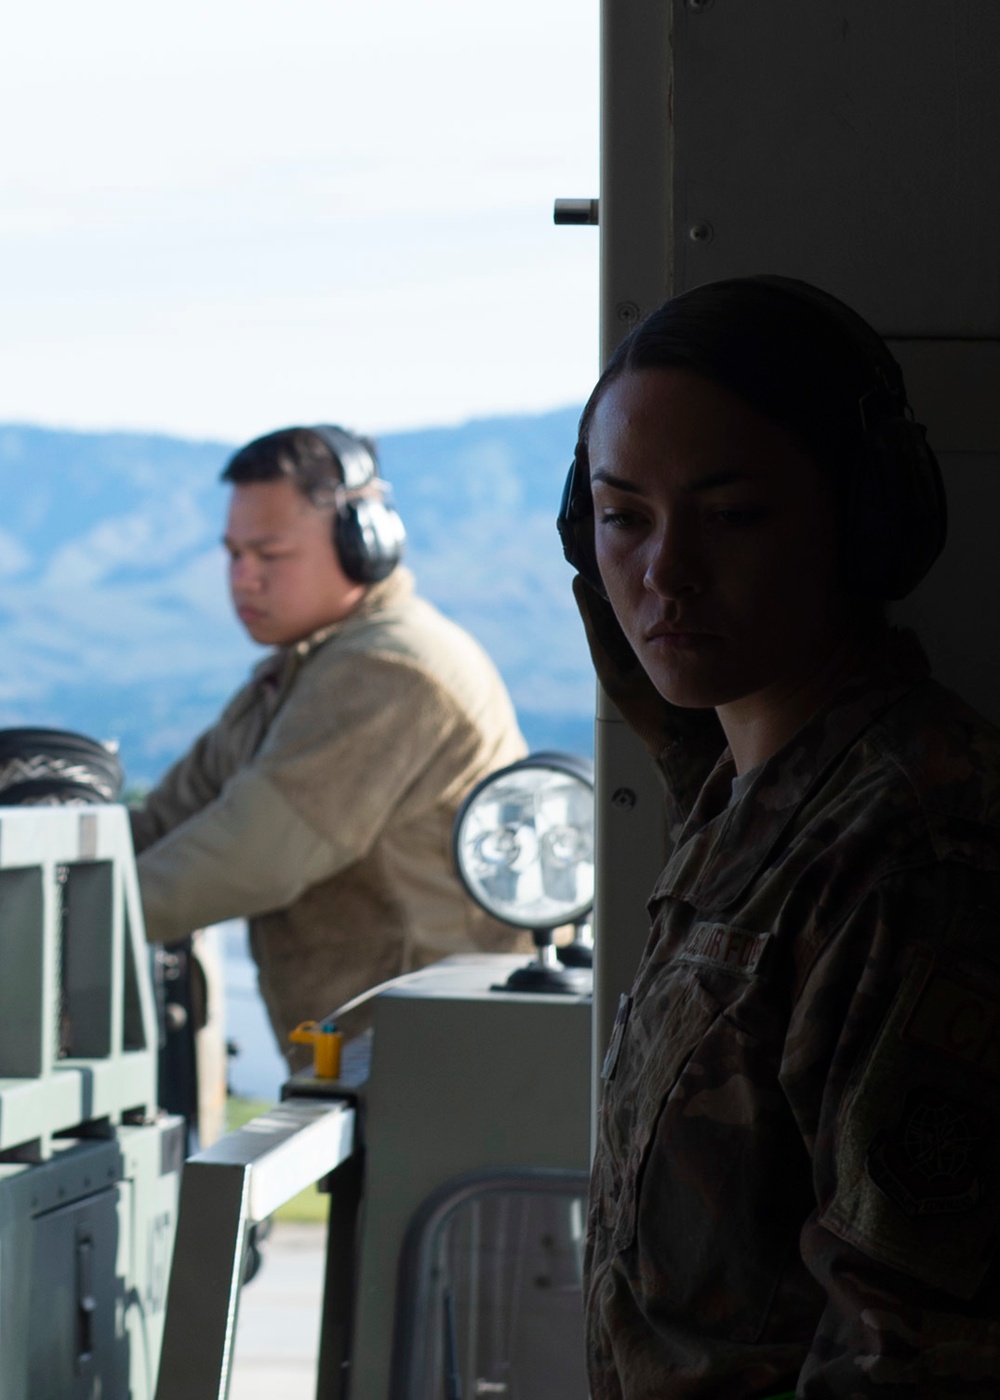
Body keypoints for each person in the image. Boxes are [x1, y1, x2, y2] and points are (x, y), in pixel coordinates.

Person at [557, 276, 1000, 1396]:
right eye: (622, 517)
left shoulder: (909, 850)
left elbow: (910, 1349)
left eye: (733, 512)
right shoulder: (742, 803)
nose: (664, 573)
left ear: (859, 519)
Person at [131, 424, 529, 1061]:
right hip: (373, 1062)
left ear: (362, 544)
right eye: (233, 555)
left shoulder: (390, 670)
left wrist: (62, 926)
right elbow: (160, 827)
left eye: (270, 555)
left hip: (437, 1065)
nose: (243, 579)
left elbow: (249, 857)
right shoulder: (296, 677)